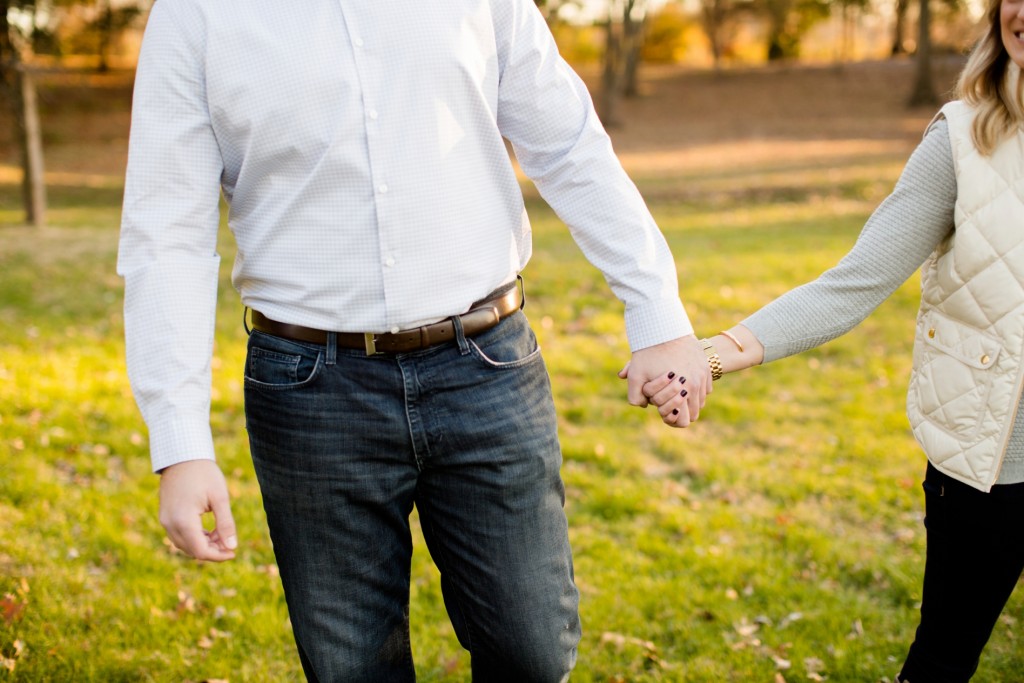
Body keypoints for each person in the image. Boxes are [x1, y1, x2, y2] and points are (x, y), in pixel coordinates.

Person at [117, 1, 711, 680]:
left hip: (486, 363)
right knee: (352, 668)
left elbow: (567, 142)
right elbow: (167, 232)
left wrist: (657, 313)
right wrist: (180, 443)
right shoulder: (197, 15)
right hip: (309, 389)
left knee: (534, 653)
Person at [643, 0, 1024, 679]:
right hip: (986, 469)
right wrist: (712, 352)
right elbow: (856, 280)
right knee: (941, 660)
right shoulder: (965, 140)